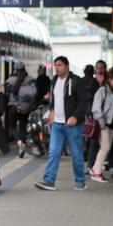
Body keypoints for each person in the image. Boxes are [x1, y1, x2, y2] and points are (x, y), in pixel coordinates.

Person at [35, 56, 89, 191]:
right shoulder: (54, 80)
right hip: (57, 124)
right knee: (53, 152)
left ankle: (80, 181)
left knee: (76, 154)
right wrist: (51, 110)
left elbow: (83, 102)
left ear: (67, 67)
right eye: (55, 65)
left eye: (60, 65)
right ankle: (49, 180)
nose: (57, 68)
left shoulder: (76, 81)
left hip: (73, 125)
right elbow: (54, 98)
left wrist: (75, 116)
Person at [90, 68, 113, 183]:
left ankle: (96, 170)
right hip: (104, 124)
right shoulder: (103, 90)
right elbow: (96, 108)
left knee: (105, 148)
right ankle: (97, 172)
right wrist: (102, 123)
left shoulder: (111, 91)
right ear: (110, 79)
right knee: (105, 147)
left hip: (110, 124)